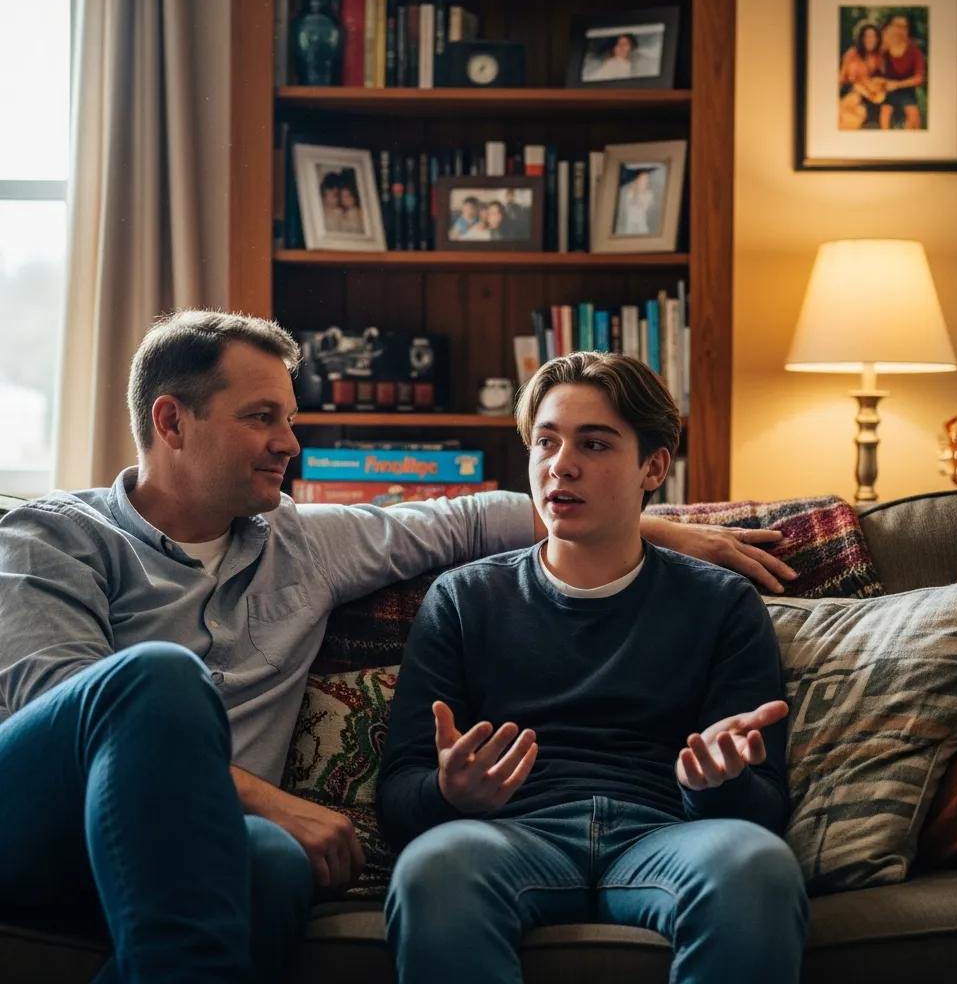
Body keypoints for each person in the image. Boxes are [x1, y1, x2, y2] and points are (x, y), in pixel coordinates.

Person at [0, 313, 795, 982]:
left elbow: (472, 518)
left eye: (288, 415)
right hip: (42, 819)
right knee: (154, 680)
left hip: (199, 837)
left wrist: (647, 526)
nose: (291, 441)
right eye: (261, 417)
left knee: (271, 869)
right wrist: (278, 804)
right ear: (171, 421)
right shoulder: (53, 536)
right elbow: (62, 710)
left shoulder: (301, 542)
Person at [379, 351, 809, 984]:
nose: (562, 465)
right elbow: (398, 796)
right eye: (546, 442)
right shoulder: (465, 599)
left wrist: (719, 785)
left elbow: (764, 806)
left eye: (596, 443)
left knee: (756, 864)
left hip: (666, 835)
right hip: (510, 836)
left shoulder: (721, 602)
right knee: (433, 868)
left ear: (653, 467)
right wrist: (448, 792)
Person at [879, 14, 925, 130]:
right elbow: (875, 69)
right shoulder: (883, 48)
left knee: (914, 117)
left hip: (906, 89)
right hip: (887, 90)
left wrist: (897, 85)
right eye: (897, 26)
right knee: (885, 115)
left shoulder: (914, 50)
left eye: (904, 27)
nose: (900, 31)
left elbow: (919, 78)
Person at [838, 20, 884, 129]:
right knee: (851, 104)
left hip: (872, 94)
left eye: (873, 37)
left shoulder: (880, 56)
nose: (870, 40)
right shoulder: (851, 54)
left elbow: (882, 80)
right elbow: (842, 79)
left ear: (877, 39)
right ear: (861, 38)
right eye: (867, 36)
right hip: (853, 90)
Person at [616, 168, 656, 235]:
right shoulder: (631, 191)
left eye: (646, 179)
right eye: (642, 179)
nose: (645, 181)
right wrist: (635, 192)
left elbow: (645, 207)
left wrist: (642, 197)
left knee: (643, 233)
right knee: (628, 233)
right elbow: (627, 205)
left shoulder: (649, 194)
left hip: (641, 219)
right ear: (637, 180)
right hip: (631, 219)